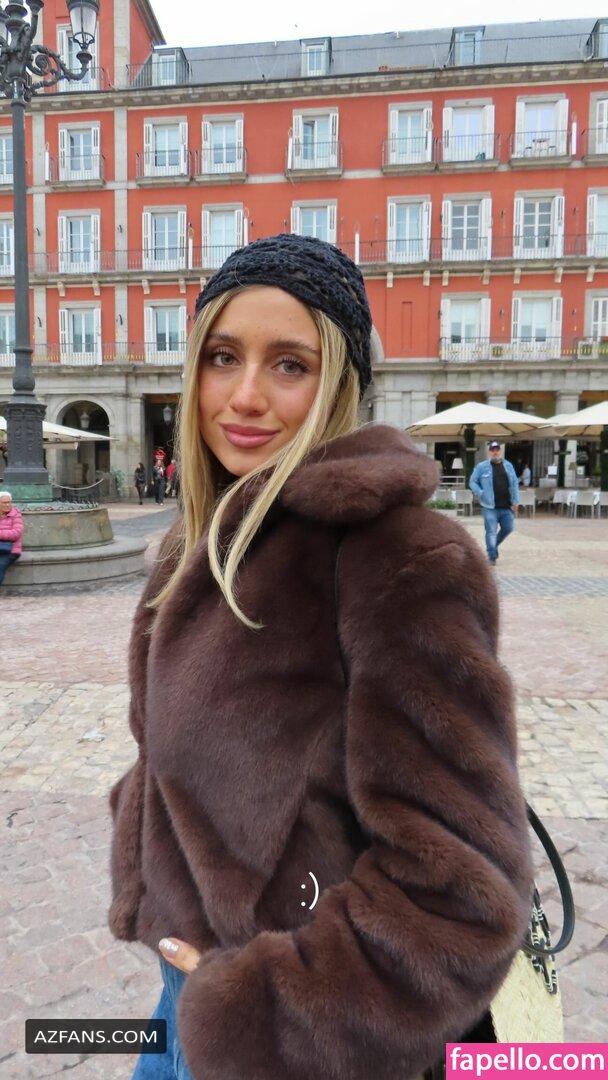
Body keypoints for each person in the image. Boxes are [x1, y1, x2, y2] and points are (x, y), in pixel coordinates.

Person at [108, 235, 532, 1080]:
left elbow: (462, 893)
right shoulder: (201, 543)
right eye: (222, 357)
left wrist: (265, 1013)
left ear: (338, 385)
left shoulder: (396, 558)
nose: (246, 395)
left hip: (286, 1040)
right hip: (185, 998)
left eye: (290, 365)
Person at [470, 440, 520, 565]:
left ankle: (492, 546)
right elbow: (472, 481)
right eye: (492, 450)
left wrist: (516, 501)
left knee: (508, 528)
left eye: (497, 449)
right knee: (491, 532)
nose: (495, 452)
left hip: (506, 506)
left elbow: (514, 484)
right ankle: (492, 556)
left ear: (500, 451)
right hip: (489, 506)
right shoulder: (482, 467)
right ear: (489, 452)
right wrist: (480, 492)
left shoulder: (508, 466)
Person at [0, 491, 24, 585]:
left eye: (9, 502)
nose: (7, 505)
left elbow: (16, 534)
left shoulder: (15, 515)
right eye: (4, 502)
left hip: (10, 550)